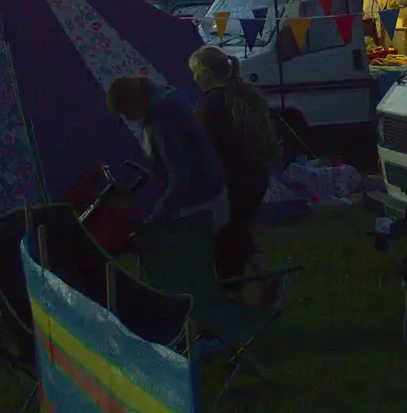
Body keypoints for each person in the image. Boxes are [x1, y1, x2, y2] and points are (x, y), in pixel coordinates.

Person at [188, 45, 278, 280]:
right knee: (240, 229)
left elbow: (205, 148)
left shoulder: (209, 104)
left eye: (196, 72)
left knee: (227, 239)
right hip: (256, 174)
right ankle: (264, 276)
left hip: (233, 180)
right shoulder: (243, 92)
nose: (194, 78)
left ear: (207, 73)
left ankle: (234, 289)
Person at [106, 74, 229, 234]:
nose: (126, 117)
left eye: (124, 112)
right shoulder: (164, 99)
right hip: (209, 189)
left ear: (132, 102)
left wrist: (159, 214)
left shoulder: (161, 116)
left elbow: (179, 172)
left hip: (199, 198)